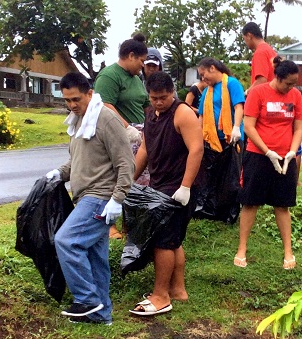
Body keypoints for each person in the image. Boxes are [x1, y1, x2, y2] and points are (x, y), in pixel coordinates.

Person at [46, 72, 134, 325]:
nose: (72, 105)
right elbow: (78, 161)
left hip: (100, 197)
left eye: (76, 99)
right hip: (86, 195)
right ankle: (100, 314)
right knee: (96, 258)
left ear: (89, 94)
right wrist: (58, 174)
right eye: (67, 100)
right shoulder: (78, 122)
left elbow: (125, 164)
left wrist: (118, 199)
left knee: (67, 241)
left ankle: (85, 299)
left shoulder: (105, 119)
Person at [129, 71, 203, 316]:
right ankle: (178, 290)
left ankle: (161, 296)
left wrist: (185, 187)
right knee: (173, 240)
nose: (159, 102)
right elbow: (145, 149)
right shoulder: (150, 114)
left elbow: (196, 150)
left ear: (173, 92)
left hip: (179, 187)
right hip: (159, 185)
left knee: (163, 242)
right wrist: (129, 179)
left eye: (163, 97)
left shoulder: (183, 113)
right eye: (154, 98)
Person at [234, 56, 302, 270]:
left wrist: (292, 151)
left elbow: (298, 127)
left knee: (282, 205)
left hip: (285, 158)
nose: (291, 88)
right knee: (251, 202)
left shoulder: (296, 95)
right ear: (277, 77)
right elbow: (249, 126)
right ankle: (242, 249)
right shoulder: (258, 92)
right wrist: (267, 151)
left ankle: (288, 251)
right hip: (258, 156)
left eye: (294, 83)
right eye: (288, 83)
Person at [94, 33, 150, 239]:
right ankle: (109, 226)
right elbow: (104, 104)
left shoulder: (136, 79)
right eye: (142, 61)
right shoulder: (110, 75)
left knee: (136, 181)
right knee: (114, 178)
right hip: (120, 134)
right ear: (131, 55)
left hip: (140, 134)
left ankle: (130, 224)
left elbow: (145, 104)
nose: (143, 66)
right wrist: (127, 128)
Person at [197, 57, 245, 151]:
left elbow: (238, 107)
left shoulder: (231, 83)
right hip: (212, 140)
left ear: (212, 68)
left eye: (203, 74)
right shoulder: (207, 91)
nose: (203, 79)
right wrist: (198, 136)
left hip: (232, 139)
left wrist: (236, 127)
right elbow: (201, 116)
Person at [242, 22, 277, 95]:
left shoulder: (260, 52)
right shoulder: (270, 50)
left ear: (249, 36)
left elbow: (261, 80)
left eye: (244, 39)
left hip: (264, 98)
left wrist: (246, 93)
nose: (245, 42)